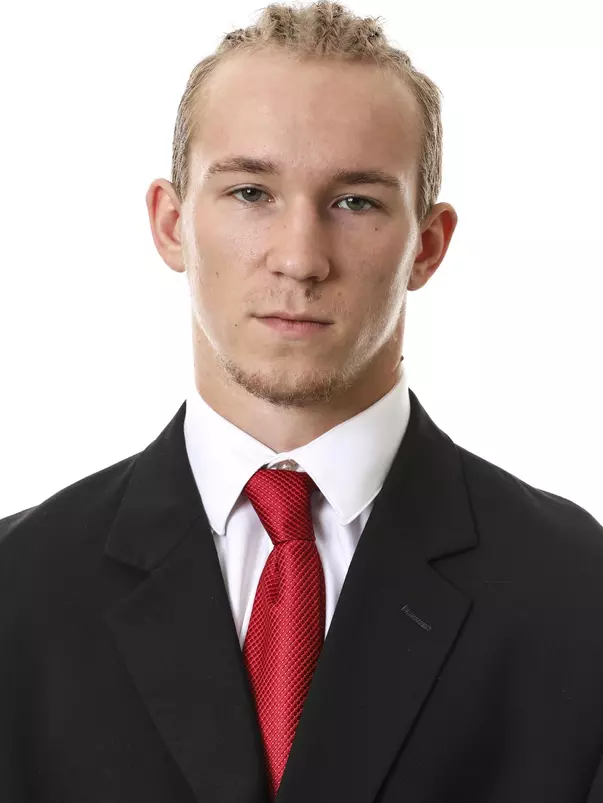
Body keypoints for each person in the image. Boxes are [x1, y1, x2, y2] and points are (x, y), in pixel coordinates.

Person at [2, 1, 603, 801]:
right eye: (251, 191)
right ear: (171, 223)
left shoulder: (578, 593)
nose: (299, 258)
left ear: (426, 245)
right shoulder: (17, 588)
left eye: (355, 201)